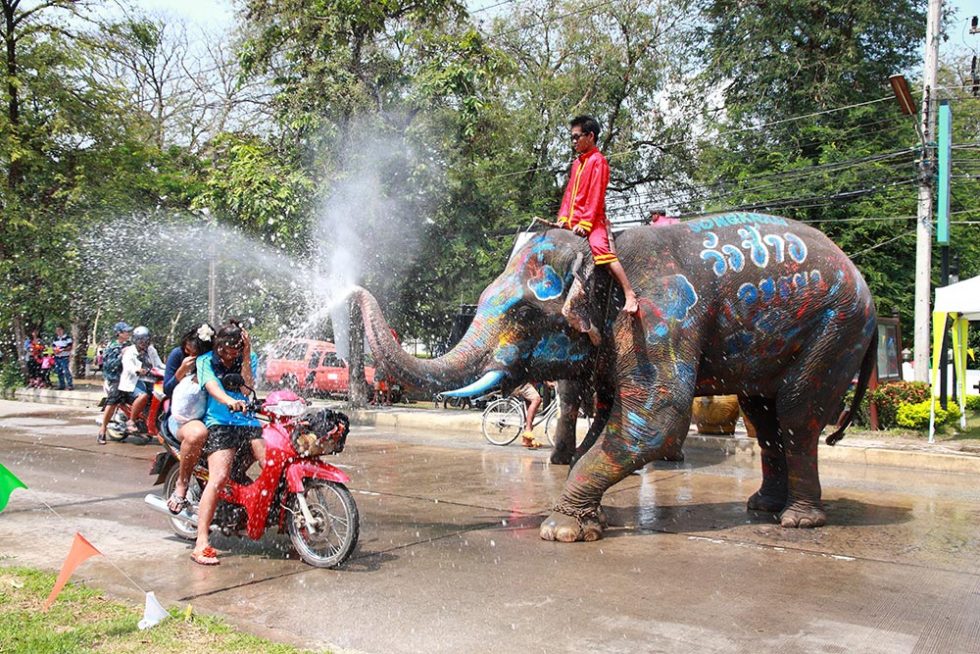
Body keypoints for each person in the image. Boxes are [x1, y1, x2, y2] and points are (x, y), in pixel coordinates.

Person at [191, 321, 264, 566]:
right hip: (220, 423)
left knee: (272, 465)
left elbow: (248, 387)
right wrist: (228, 401)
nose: (227, 355)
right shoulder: (204, 361)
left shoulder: (248, 357)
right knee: (219, 477)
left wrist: (245, 355)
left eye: (234, 350)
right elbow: (213, 388)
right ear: (217, 345)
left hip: (248, 424)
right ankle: (201, 541)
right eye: (225, 350)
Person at [557, 115, 639, 314]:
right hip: (573, 221)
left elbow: (595, 194)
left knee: (601, 250)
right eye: (572, 138)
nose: (574, 141)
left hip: (592, 222)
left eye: (577, 137)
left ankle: (629, 293)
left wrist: (585, 224)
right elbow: (569, 193)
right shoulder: (577, 164)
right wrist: (563, 217)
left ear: (591, 136)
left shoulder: (598, 161)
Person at [162, 323, 214, 514]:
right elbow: (167, 389)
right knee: (197, 434)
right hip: (184, 419)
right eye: (187, 351)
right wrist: (181, 372)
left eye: (193, 353)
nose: (188, 354)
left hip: (211, 417)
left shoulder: (212, 361)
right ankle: (181, 485)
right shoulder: (178, 356)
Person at [122, 326, 165, 434]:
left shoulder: (151, 350)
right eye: (140, 339)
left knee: (162, 394)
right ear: (135, 340)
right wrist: (137, 370)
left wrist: (171, 369)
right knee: (143, 396)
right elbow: (128, 366)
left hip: (150, 379)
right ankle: (131, 421)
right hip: (135, 380)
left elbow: (159, 364)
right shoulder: (130, 351)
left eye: (146, 339)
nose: (143, 342)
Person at [97, 322, 133, 444]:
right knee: (113, 401)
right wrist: (122, 355)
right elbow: (109, 365)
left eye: (129, 331)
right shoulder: (112, 346)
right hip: (115, 379)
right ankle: (102, 430)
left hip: (129, 377)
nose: (128, 333)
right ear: (119, 333)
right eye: (126, 331)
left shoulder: (129, 345)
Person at [512, 382, 544, 449]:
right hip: (520, 382)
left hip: (523, 383)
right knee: (536, 399)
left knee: (531, 407)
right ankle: (527, 429)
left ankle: (526, 440)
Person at [52, 325, 74, 391]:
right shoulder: (55, 338)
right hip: (57, 357)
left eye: (59, 330)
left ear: (62, 330)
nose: (58, 332)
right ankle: (62, 385)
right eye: (57, 330)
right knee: (59, 371)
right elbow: (53, 347)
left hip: (64, 357)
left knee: (66, 371)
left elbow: (70, 347)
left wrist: (62, 350)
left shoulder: (67, 338)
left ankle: (70, 385)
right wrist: (55, 351)